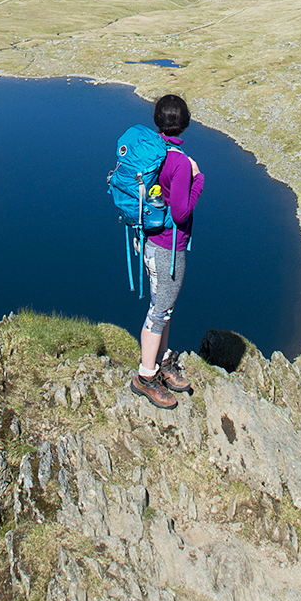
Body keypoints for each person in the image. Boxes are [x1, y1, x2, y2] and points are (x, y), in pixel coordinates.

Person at [131, 93, 205, 409]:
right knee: (159, 310)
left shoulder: (156, 152)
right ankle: (146, 377)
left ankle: (162, 362)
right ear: (184, 123)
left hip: (152, 243)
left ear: (158, 121)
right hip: (167, 249)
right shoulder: (179, 162)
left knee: (164, 306)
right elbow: (180, 213)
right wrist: (198, 179)